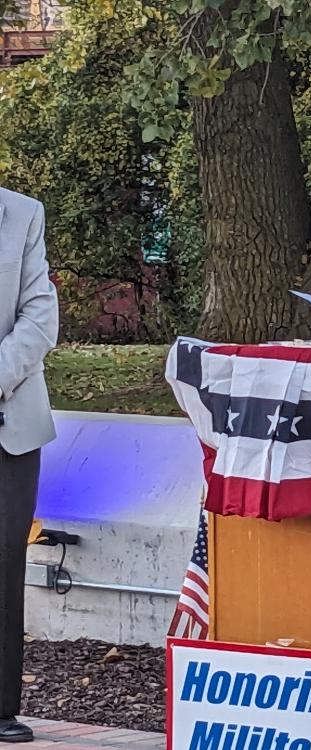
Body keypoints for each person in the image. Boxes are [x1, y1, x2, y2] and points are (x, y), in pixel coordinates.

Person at [0, 188, 59, 743]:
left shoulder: (23, 213)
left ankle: (0, 708)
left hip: (9, 422)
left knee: (2, 566)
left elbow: (40, 316)